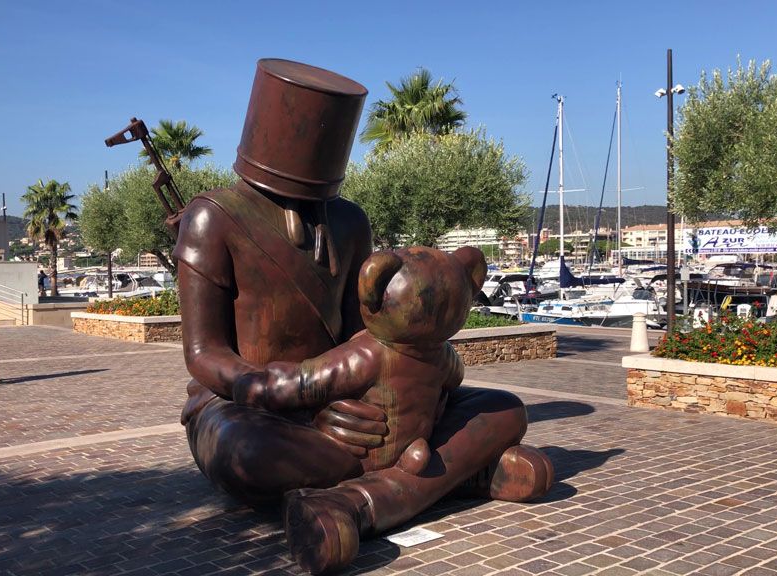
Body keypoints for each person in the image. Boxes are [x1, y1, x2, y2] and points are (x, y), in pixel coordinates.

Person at [175, 59, 552, 575]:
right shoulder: (211, 217)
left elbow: (366, 330)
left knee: (505, 410)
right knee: (245, 450)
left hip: (356, 408)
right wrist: (279, 396)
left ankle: (358, 502)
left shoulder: (349, 221)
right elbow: (203, 354)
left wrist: (368, 393)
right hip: (253, 410)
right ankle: (454, 473)